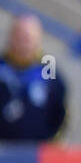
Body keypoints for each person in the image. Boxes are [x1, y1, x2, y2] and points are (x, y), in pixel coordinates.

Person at [0, 13, 65, 141]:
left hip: (35, 155)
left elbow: (61, 114)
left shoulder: (50, 75)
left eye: (28, 39)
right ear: (11, 37)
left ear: (38, 41)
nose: (23, 44)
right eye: (19, 37)